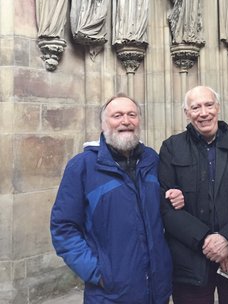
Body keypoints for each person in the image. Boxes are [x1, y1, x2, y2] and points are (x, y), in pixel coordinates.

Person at [51, 93, 184, 304]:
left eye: (132, 115)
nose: (126, 121)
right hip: (110, 294)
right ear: (103, 124)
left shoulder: (152, 159)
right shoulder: (82, 166)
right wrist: (96, 273)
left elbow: (159, 210)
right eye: (117, 115)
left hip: (157, 291)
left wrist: (175, 196)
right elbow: (63, 228)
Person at [158, 86, 228, 304]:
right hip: (190, 259)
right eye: (195, 107)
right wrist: (207, 240)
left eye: (209, 105)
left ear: (218, 107)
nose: (203, 112)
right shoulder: (171, 148)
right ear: (186, 112)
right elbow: (164, 206)